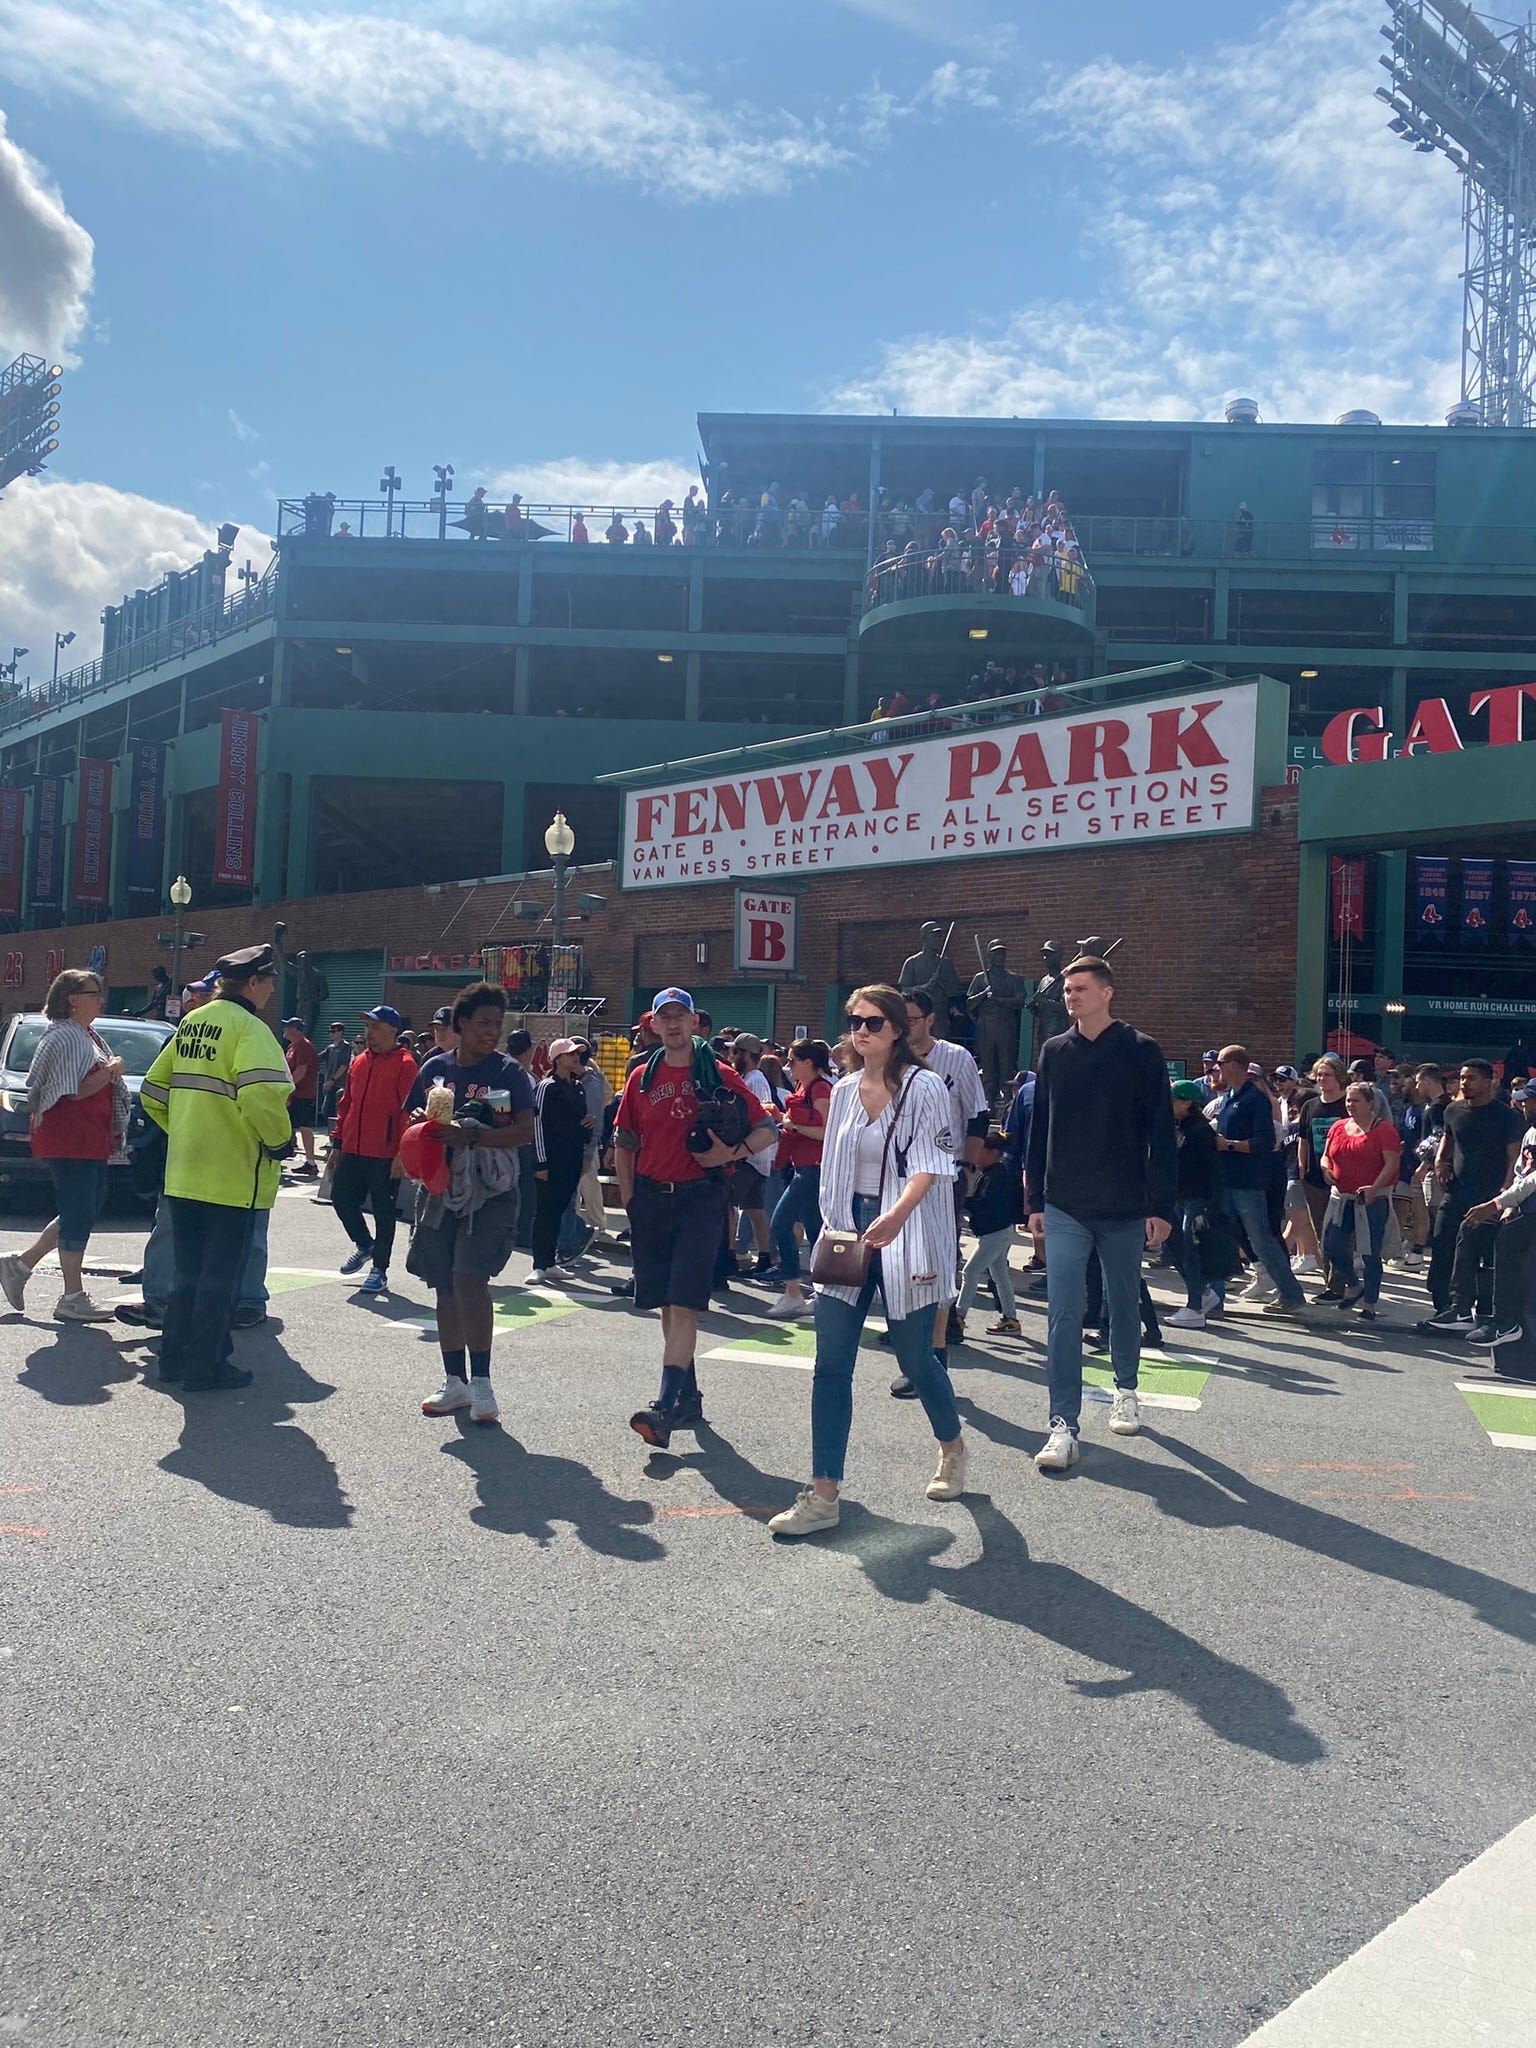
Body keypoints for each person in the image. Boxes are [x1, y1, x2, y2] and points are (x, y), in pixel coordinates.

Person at [768, 985, 965, 1537]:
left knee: (916, 1357)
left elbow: (933, 1162)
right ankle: (824, 1491)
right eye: (855, 1021)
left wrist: (898, 1216)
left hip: (910, 1225)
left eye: (874, 1022)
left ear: (899, 1029)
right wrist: (829, 1227)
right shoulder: (847, 1089)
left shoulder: (924, 1087)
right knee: (831, 1364)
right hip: (847, 1228)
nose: (862, 1030)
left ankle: (951, 1446)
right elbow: (833, 1164)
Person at [1024, 955, 1176, 1469]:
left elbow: (1160, 1132)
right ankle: (1062, 1424)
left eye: (1081, 988)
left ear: (1107, 992)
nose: (1071, 996)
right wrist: (1034, 1200)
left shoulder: (1141, 1051)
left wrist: (1160, 1205)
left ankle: (1126, 1388)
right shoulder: (1054, 1051)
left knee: (1124, 1302)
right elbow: (1039, 1126)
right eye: (1067, 990)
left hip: (1125, 1204)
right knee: (1063, 1312)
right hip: (1064, 1201)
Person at [612, 988, 775, 1450]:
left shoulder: (719, 1074)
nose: (673, 1025)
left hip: (701, 1199)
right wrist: (629, 1198)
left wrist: (734, 1152)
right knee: (666, 1303)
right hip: (652, 1199)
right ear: (655, 1027)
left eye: (680, 1016)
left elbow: (767, 1127)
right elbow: (624, 1139)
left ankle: (663, 1407)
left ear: (695, 1024)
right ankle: (688, 1396)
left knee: (682, 1303)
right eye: (664, 1018)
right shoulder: (642, 1076)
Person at [138, 944, 293, 1391]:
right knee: (219, 1279)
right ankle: (205, 1366)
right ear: (254, 982)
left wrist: (185, 1129)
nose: (272, 990)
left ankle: (173, 1360)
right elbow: (263, 1096)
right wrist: (278, 1142)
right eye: (270, 981)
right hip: (232, 1175)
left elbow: (152, 1090)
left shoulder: (191, 1022)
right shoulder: (252, 1030)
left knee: (185, 1274)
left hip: (185, 1171)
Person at [405, 982, 535, 1426]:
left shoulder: (510, 1074)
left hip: (492, 1191)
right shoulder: (435, 1069)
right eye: (483, 1023)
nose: (492, 1032)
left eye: (497, 1024)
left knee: (469, 1279)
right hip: (440, 1185)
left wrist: (473, 1135)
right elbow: (412, 1115)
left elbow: (522, 1133)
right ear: (460, 1024)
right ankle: (454, 1381)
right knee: (443, 1283)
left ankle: (482, 1382)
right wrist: (422, 1124)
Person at [0, 969, 128, 1321]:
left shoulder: (83, 1034)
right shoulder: (69, 1037)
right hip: (71, 1138)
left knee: (83, 1208)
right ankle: (72, 1296)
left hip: (85, 1138)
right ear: (72, 998)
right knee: (78, 1213)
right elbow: (75, 1090)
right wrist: (114, 1069)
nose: (102, 999)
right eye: (95, 992)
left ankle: (20, 1265)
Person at [890, 989, 989, 1391]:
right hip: (894, 1177)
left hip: (943, 1175)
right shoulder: (887, 1059)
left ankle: (935, 1353)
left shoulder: (955, 1058)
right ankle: (912, 1353)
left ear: (930, 1019)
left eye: (911, 1019)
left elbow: (978, 1116)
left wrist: (966, 1165)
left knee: (939, 1261)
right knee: (902, 1264)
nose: (904, 1026)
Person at [1209, 1044, 1317, 1320]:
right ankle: (1213, 1296)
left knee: (1261, 1239)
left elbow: (1265, 1141)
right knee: (1221, 1235)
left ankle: (1291, 1294)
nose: (1216, 1068)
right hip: (1227, 1180)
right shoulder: (1230, 1097)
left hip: (1247, 1182)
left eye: (1220, 1063)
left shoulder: (1253, 1099)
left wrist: (1228, 1145)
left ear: (1235, 1065)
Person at [1420, 1060, 1524, 1336]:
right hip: (1456, 1193)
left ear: (1490, 1081)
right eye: (1463, 1078)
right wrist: (1441, 1161)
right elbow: (1447, 1138)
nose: (1465, 1083)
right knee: (1443, 1245)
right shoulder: (1453, 1110)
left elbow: (1513, 1158)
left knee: (1482, 1257)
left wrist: (1505, 1196)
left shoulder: (1508, 1117)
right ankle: (1446, 1308)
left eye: (1472, 1078)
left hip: (1489, 1197)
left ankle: (1482, 1315)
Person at [330, 1005, 417, 1297]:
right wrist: (337, 1144)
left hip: (384, 1152)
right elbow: (346, 1106)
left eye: (375, 1028)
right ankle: (365, 1244)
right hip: (353, 1147)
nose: (369, 1034)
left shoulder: (406, 1064)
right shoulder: (358, 1062)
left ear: (392, 1031)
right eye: (367, 1027)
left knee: (384, 1211)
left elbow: (409, 1113)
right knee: (340, 1198)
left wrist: (402, 1153)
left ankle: (379, 1269)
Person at [1320, 1081, 1401, 1321]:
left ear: (1370, 1103)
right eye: (1348, 1100)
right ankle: (1353, 1285)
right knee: (1331, 1246)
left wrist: (1375, 1189)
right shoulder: (1338, 1126)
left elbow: (1391, 1163)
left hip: (1371, 1200)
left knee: (1368, 1252)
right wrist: (1326, 1170)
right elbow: (1326, 1156)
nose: (1350, 1104)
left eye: (1355, 1100)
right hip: (1341, 1198)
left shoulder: (1383, 1130)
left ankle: (1370, 1303)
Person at [766, 1038, 834, 1320]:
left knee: (781, 1223)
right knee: (816, 1232)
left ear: (808, 1062)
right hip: (803, 1166)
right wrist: (781, 1118)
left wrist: (791, 1124)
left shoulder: (820, 1088)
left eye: (792, 1060)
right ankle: (822, 1293)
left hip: (813, 1169)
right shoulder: (804, 1087)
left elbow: (828, 1131)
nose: (788, 1065)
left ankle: (794, 1290)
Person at [1469, 1089, 1536, 1349]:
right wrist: (1510, 1206)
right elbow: (1522, 1172)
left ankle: (1507, 1322)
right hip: (1526, 1208)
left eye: (1528, 1099)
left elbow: (1533, 1179)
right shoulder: (1530, 1132)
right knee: (1501, 1241)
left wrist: (1497, 1203)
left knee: (1509, 1244)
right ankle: (1503, 1320)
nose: (1522, 1103)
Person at [529, 1037, 592, 1286]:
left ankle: (551, 1262)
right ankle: (539, 1264)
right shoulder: (546, 1087)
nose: (574, 1057)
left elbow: (578, 1123)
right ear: (557, 1059)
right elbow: (537, 1124)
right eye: (569, 1054)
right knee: (545, 1211)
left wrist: (588, 1127)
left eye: (577, 1053)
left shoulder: (578, 1087)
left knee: (560, 1210)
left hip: (572, 1158)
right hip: (551, 1159)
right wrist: (541, 1162)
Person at [953, 1127, 1025, 1338]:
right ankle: (1010, 1318)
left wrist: (962, 1202)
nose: (976, 1154)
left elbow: (985, 1203)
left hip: (995, 1233)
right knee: (1000, 1276)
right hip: (997, 1232)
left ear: (992, 1153)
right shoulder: (993, 1173)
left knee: (970, 1272)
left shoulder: (996, 1176)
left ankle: (958, 1316)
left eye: (980, 1150)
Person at [1165, 1079, 1223, 1329]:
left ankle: (1195, 1306)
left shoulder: (1200, 1130)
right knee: (1177, 1249)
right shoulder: (1178, 1127)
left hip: (1196, 1198)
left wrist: (1211, 1202)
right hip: (1180, 1197)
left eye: (1174, 1099)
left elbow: (1212, 1169)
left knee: (1190, 1251)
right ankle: (1201, 1294)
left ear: (1187, 1102)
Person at [728, 1033, 780, 1275]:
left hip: (750, 1155)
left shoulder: (755, 1079)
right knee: (754, 1209)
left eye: (735, 1051)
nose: (731, 1055)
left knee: (728, 1204)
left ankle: (728, 1257)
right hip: (755, 1155)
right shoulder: (748, 1077)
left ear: (747, 1055)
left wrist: (743, 1147)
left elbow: (761, 1115)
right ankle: (765, 1257)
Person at [280, 1017, 320, 1175]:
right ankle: (284, 1155)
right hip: (294, 1093)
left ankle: (311, 1162)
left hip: (302, 1094)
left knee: (303, 1126)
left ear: (295, 1029)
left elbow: (300, 1071)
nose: (284, 1030)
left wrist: (288, 1089)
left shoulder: (304, 1046)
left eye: (287, 1027)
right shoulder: (292, 1046)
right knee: (285, 1125)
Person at [316, 1020, 351, 1122]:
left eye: (333, 1032)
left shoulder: (345, 1047)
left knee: (330, 1110)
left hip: (339, 1084)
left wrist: (332, 1079)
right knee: (326, 1111)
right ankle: (331, 1132)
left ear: (340, 1032)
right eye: (329, 1031)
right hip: (328, 1083)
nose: (330, 1034)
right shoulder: (330, 1048)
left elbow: (344, 1066)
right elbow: (317, 1058)